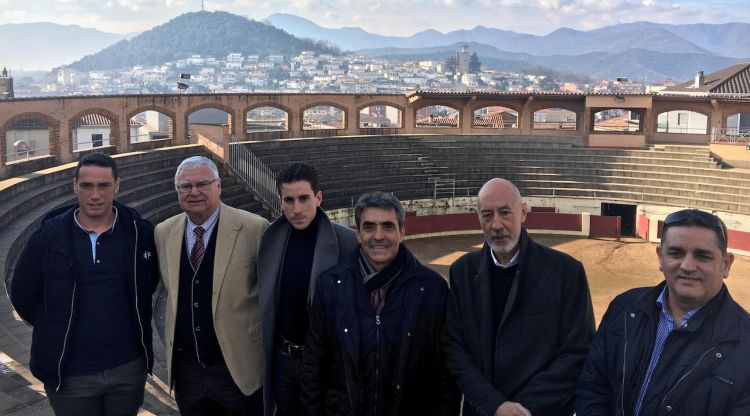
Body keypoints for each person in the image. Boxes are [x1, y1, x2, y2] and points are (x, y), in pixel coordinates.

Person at [10, 152, 158, 416]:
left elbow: (149, 282)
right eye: (87, 185)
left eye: (103, 185)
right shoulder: (48, 237)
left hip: (127, 369)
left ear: (117, 185)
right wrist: (52, 325)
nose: (95, 194)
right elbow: (22, 294)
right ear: (75, 185)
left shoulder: (139, 233)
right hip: (69, 373)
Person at [576, 208, 750, 416]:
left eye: (702, 256)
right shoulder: (623, 307)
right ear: (660, 257)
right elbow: (592, 388)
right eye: (676, 253)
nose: (687, 266)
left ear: (726, 264)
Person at [300, 191, 460, 416]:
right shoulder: (329, 286)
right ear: (358, 234)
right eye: (369, 227)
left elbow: (445, 376)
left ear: (402, 232)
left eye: (388, 226)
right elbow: (314, 366)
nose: (378, 235)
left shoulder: (433, 289)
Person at [445, 178, 595, 416]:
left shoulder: (567, 272)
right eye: (487, 215)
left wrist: (520, 410)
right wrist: (494, 404)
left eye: (505, 212)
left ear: (523, 212)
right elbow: (454, 347)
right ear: (478, 218)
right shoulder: (461, 271)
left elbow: (577, 352)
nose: (496, 224)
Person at [154, 156, 269, 415]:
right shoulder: (163, 232)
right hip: (188, 376)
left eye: (202, 184)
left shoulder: (254, 228)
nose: (194, 192)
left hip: (238, 370)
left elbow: (270, 297)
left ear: (219, 186)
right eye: (185, 186)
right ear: (178, 191)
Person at [258, 162, 358, 416]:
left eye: (304, 198)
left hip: (326, 363)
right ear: (280, 201)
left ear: (319, 197)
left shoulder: (346, 240)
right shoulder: (270, 238)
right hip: (284, 359)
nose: (297, 209)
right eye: (289, 200)